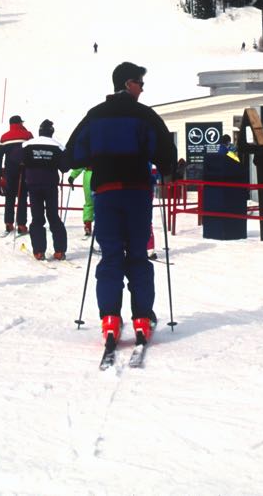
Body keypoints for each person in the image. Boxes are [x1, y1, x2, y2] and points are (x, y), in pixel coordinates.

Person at [63, 61, 177, 349]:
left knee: (111, 255)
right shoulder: (144, 115)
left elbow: (73, 154)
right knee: (138, 254)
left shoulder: (95, 115)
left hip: (106, 193)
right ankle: (141, 317)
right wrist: (166, 166)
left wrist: (95, 158)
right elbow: (165, 154)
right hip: (138, 193)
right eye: (140, 82)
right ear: (128, 84)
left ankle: (110, 318)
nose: (142, 88)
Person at [22, 120, 68, 260]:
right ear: (51, 132)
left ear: (39, 131)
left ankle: (39, 251)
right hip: (50, 185)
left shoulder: (27, 144)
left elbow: (17, 160)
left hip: (33, 185)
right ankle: (59, 250)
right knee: (53, 216)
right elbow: (65, 167)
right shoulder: (58, 146)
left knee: (37, 217)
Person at [0, 114, 33, 233]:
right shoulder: (27, 135)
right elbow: (32, 152)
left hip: (9, 171)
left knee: (10, 197)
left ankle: (8, 223)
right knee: (22, 197)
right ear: (20, 123)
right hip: (23, 170)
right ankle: (21, 225)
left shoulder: (4, 137)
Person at [68, 166, 94, 236]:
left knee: (90, 203)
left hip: (91, 175)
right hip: (101, 176)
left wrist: (72, 176)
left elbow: (80, 164)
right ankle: (91, 225)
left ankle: (88, 225)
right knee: (101, 202)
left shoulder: (86, 154)